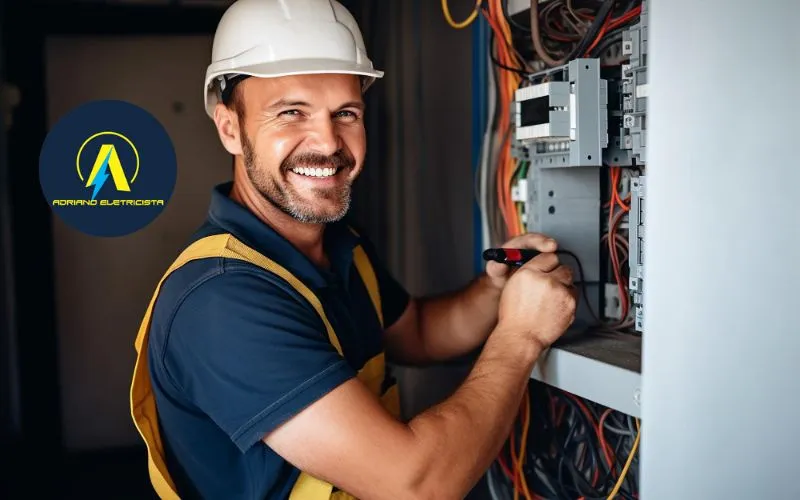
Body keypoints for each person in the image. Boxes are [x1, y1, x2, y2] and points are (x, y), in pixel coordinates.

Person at [129, 0, 577, 499]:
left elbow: (420, 335)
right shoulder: (222, 299)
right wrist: (520, 337)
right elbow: (418, 485)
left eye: (345, 113)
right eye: (291, 113)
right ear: (230, 127)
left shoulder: (339, 244)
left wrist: (496, 293)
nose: (327, 141)